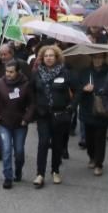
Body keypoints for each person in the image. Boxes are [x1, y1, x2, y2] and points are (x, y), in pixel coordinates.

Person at [31, 45, 73, 187]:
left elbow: (77, 90)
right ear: (42, 58)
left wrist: (71, 107)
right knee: (43, 143)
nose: (49, 58)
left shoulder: (65, 73)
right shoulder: (36, 73)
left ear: (57, 58)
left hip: (59, 114)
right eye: (46, 56)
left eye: (51, 56)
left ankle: (55, 171)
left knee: (57, 144)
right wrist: (34, 107)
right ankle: (40, 174)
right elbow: (31, 92)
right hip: (42, 115)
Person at [0, 60, 34, 188]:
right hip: (4, 123)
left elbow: (32, 103)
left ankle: (18, 170)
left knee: (19, 151)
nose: (8, 74)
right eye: (6, 72)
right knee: (7, 150)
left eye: (11, 72)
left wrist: (27, 118)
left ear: (18, 72)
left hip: (20, 123)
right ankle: (7, 177)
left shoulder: (26, 84)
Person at [73, 53, 108, 176]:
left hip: (102, 109)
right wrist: (84, 89)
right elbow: (76, 89)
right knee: (89, 138)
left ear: (104, 59)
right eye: (95, 58)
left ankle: (99, 163)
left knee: (100, 138)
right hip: (87, 108)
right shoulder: (85, 72)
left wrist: (101, 91)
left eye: (100, 58)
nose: (97, 60)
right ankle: (92, 157)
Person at [0, 44, 31, 161]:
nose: (2, 57)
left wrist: (28, 114)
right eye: (0, 54)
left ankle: (16, 162)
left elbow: (30, 84)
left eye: (5, 54)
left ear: (11, 54)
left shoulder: (22, 65)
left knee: (18, 148)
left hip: (18, 108)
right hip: (1, 105)